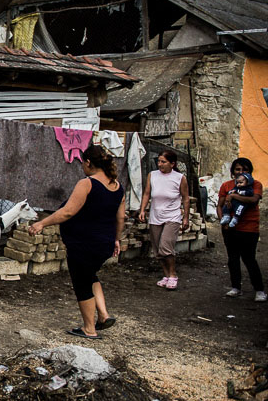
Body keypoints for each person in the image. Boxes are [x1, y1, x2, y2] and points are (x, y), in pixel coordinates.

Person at [28, 145, 123, 340]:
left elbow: (68, 212)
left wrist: (41, 224)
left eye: (82, 163)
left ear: (88, 162)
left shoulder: (87, 183)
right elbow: (120, 218)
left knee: (82, 282)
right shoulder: (117, 186)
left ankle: (89, 328)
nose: (82, 167)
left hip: (84, 244)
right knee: (90, 275)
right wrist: (116, 240)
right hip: (104, 243)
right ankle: (103, 315)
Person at [138, 150, 189, 290]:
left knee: (166, 247)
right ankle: (166, 275)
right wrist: (142, 210)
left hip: (172, 217)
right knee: (157, 250)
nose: (160, 164)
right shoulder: (152, 175)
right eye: (159, 161)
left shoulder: (179, 178)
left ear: (172, 164)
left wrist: (186, 217)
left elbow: (185, 198)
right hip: (156, 216)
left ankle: (173, 275)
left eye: (163, 162)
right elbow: (147, 193)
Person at [218, 158, 264, 301]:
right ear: (233, 172)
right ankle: (236, 287)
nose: (241, 172)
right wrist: (222, 221)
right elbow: (219, 205)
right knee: (233, 259)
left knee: (249, 259)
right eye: (238, 169)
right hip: (230, 228)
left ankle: (259, 290)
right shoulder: (226, 185)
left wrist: (232, 196)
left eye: (244, 170)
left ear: (250, 171)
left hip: (249, 228)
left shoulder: (255, 185)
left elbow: (253, 200)